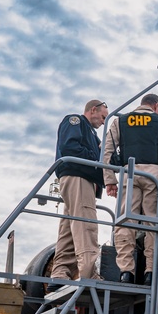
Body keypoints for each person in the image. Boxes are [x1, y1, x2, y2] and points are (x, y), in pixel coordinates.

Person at [103, 94, 158, 285]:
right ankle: (150, 271)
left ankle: (126, 272)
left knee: (126, 220)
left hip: (129, 173)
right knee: (152, 223)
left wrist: (110, 180)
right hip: (155, 176)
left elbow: (106, 151)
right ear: (157, 106)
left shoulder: (120, 121)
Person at [50, 99, 108, 284]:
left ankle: (61, 272)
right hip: (79, 177)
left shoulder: (93, 135)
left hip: (78, 180)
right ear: (93, 110)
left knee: (68, 229)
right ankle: (89, 272)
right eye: (103, 116)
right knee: (86, 223)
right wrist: (98, 160)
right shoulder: (75, 121)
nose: (103, 122)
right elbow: (70, 148)